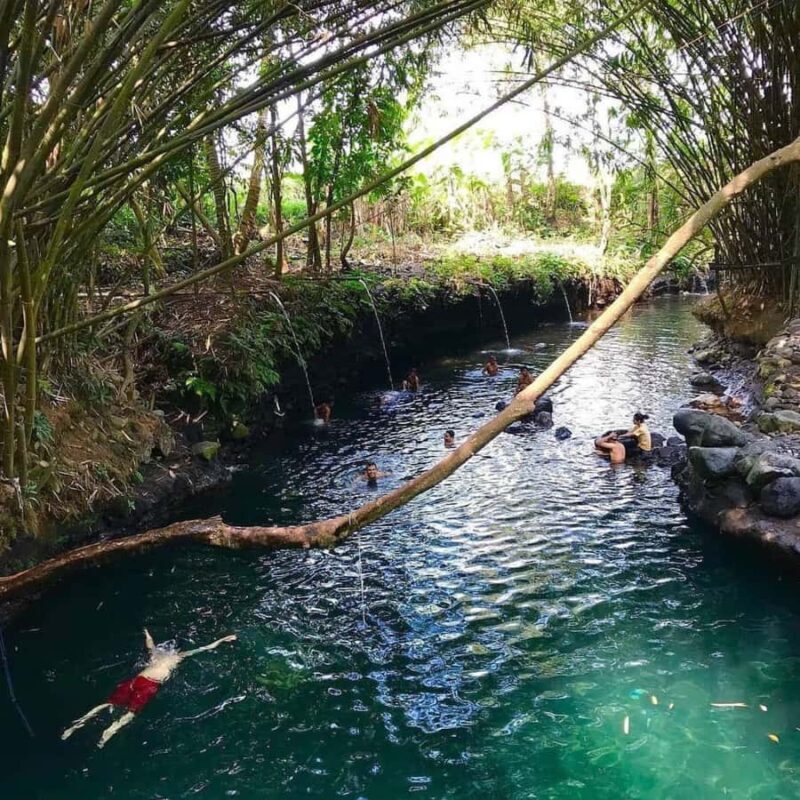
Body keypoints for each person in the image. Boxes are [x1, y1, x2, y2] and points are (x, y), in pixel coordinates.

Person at [62, 629, 237, 749]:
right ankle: (106, 731)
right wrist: (222, 640)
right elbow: (204, 648)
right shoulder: (178, 657)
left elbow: (150, 644)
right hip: (149, 685)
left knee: (108, 704)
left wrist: (147, 633)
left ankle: (82, 725)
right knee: (130, 712)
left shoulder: (156, 655)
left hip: (138, 680)